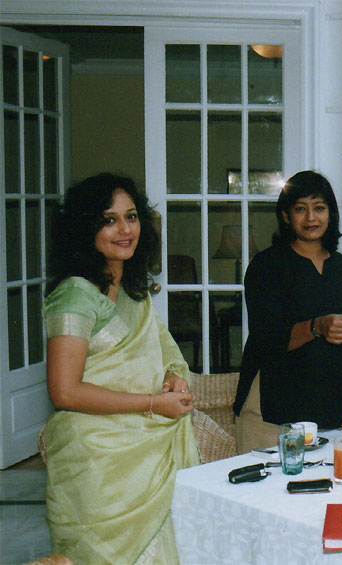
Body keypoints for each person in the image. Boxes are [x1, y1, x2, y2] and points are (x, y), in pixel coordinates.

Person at [43, 173, 199, 564]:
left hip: (149, 451)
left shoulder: (133, 289)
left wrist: (173, 377)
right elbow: (64, 391)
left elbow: (167, 351)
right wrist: (153, 403)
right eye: (109, 220)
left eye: (131, 216)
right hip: (98, 461)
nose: (125, 229)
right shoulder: (75, 295)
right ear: (85, 228)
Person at [233, 170, 342, 453]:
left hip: (332, 407)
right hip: (273, 408)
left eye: (319, 208)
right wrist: (316, 326)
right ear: (285, 216)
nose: (311, 218)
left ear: (330, 214)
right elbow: (266, 337)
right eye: (300, 209)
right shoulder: (266, 265)